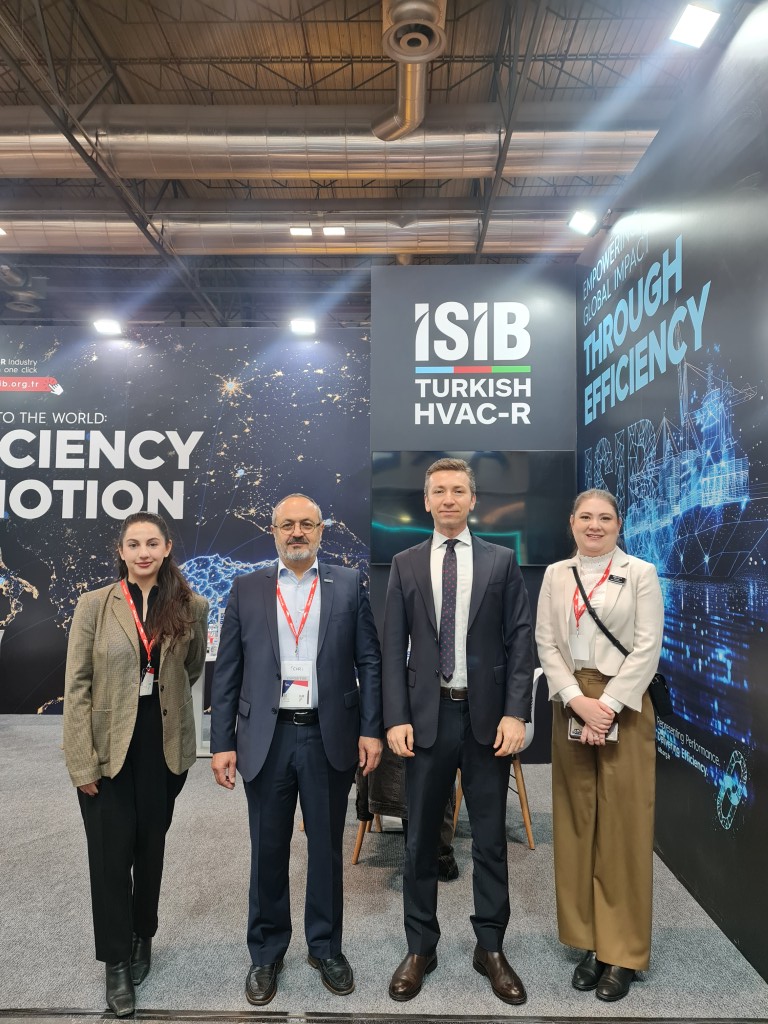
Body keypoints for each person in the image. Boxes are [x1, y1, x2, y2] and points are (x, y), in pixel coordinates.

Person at [210, 493, 383, 1006]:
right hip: (267, 736)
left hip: (329, 734)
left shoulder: (348, 583)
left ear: (321, 531)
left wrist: (370, 729)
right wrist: (222, 743)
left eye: (307, 524)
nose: (297, 533)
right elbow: (228, 671)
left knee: (326, 848)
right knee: (268, 847)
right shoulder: (247, 588)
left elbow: (369, 661)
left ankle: (325, 947)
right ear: (274, 531)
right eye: (287, 525)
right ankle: (266, 952)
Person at [383, 457, 534, 1005]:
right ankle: (420, 946)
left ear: (474, 500)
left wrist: (517, 713)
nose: (448, 499)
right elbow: (391, 646)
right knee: (420, 839)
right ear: (426, 501)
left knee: (490, 839)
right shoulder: (404, 563)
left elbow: (521, 639)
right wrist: (395, 716)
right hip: (426, 718)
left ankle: (490, 946)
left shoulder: (501, 561)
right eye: (439, 491)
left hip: (488, 721)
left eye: (458, 491)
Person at [63, 512, 209, 1018]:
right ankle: (116, 961)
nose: (143, 552)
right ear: (121, 551)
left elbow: (191, 669)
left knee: (150, 848)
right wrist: (81, 760)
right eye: (133, 544)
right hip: (107, 748)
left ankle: (143, 935)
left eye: (152, 543)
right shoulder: (94, 605)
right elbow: (77, 685)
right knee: (109, 856)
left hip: (162, 745)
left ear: (167, 548)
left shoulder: (192, 605)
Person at [535, 488, 664, 1002]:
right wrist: (574, 699)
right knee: (576, 822)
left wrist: (605, 706)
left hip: (624, 703)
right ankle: (590, 941)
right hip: (570, 701)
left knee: (624, 827)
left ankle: (623, 951)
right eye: (585, 517)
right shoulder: (555, 574)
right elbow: (546, 642)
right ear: (571, 522)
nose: (594, 525)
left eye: (604, 518)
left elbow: (648, 647)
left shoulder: (641, 573)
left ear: (618, 524)